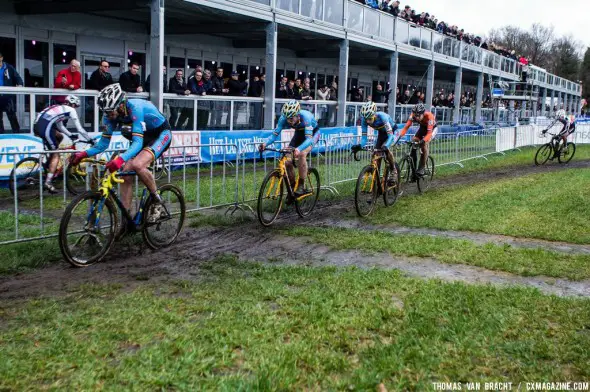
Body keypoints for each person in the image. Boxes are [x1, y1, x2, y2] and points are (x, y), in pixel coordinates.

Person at [70, 84, 171, 224]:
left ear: (121, 104)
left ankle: (157, 201)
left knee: (137, 164)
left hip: (160, 134)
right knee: (125, 173)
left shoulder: (135, 108)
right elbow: (103, 144)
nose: (109, 115)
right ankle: (127, 219)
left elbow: (137, 143)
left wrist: (119, 159)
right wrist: (83, 154)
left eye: (111, 111)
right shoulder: (109, 116)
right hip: (143, 135)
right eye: (106, 112)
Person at [258, 100, 321, 197]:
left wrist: (299, 149)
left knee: (302, 154)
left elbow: (308, 139)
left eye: (291, 118)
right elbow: (274, 135)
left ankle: (301, 185)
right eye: (287, 118)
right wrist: (265, 144)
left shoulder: (306, 118)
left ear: (297, 115)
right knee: (287, 161)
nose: (289, 121)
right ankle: (292, 190)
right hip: (298, 134)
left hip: (313, 134)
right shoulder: (283, 118)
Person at [33, 95, 92, 193]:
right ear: (73, 104)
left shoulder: (60, 108)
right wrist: (90, 140)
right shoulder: (70, 110)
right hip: (45, 127)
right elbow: (80, 129)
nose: (75, 108)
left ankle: (50, 163)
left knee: (59, 137)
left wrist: (70, 135)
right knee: (56, 154)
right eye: (76, 106)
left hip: (38, 126)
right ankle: (48, 182)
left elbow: (60, 126)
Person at [351, 101, 398, 172]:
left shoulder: (383, 117)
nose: (368, 121)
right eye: (366, 119)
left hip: (393, 132)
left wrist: (386, 145)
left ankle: (393, 170)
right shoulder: (364, 120)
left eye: (370, 119)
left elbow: (390, 135)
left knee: (386, 149)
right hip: (382, 133)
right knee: (375, 155)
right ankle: (376, 177)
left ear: (374, 115)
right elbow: (364, 138)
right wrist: (360, 146)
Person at [398, 103, 438, 176]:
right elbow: (406, 127)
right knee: (414, 140)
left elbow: (429, 134)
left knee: (424, 146)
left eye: (418, 115)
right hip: (423, 127)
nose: (416, 117)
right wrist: (400, 136)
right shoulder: (413, 115)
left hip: (432, 130)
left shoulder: (429, 117)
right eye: (415, 115)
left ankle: (422, 168)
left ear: (423, 114)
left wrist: (422, 141)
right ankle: (414, 171)